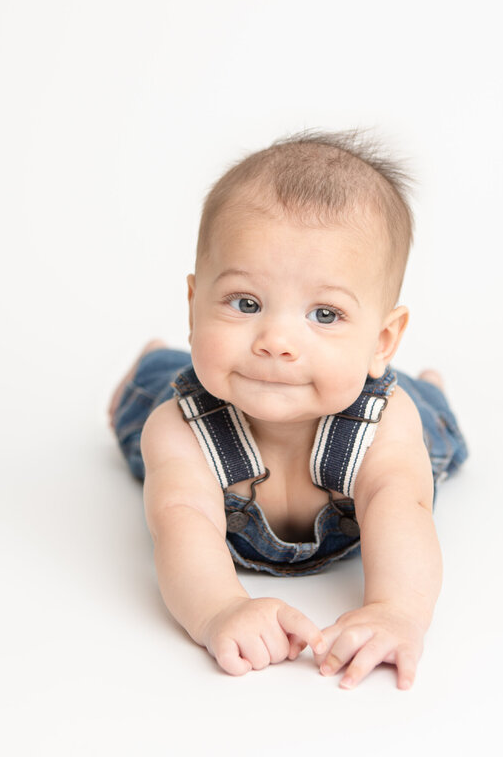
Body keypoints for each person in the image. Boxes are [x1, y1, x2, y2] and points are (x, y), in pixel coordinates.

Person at [108, 130, 467, 689]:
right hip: (217, 400)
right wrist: (220, 609)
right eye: (245, 303)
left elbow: (405, 510)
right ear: (194, 304)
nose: (276, 339)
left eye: (324, 314)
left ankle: (428, 387)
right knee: (147, 408)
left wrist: (398, 611)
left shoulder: (384, 426)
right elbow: (183, 524)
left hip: (369, 403)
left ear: (382, 339)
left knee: (431, 428)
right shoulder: (180, 432)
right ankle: (157, 361)